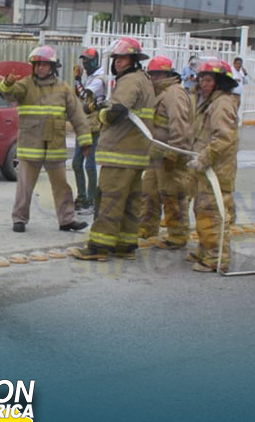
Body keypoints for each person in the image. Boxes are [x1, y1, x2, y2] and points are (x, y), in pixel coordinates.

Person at [69, 37, 155, 261]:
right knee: (129, 201)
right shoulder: (144, 80)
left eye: (123, 58)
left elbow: (117, 111)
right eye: (116, 58)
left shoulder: (129, 81)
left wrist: (101, 114)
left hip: (121, 153)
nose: (118, 63)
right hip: (136, 154)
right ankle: (125, 246)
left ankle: (98, 247)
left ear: (133, 60)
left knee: (110, 198)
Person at [0, 45, 92, 233]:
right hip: (30, 146)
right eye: (37, 64)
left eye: (44, 64)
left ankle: (66, 220)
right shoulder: (25, 85)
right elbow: (8, 93)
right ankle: (19, 219)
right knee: (24, 187)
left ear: (52, 66)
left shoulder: (64, 88)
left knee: (61, 186)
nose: (40, 68)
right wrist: (7, 83)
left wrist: (85, 140)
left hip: (55, 147)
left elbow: (78, 116)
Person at [189, 59, 239, 273]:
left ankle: (216, 257)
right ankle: (205, 250)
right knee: (203, 210)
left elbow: (224, 137)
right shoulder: (210, 102)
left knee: (213, 213)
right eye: (201, 79)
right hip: (206, 172)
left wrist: (205, 157)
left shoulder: (222, 104)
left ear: (219, 83)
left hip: (216, 172)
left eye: (208, 80)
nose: (203, 84)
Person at [139, 56, 194, 250]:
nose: (153, 78)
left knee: (173, 194)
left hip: (171, 155)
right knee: (149, 191)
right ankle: (147, 227)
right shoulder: (160, 93)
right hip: (157, 154)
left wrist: (174, 153)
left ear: (164, 75)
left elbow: (180, 125)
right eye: (152, 75)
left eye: (155, 75)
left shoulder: (174, 93)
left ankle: (177, 235)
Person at [72, 47, 106, 212]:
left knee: (89, 164)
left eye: (87, 60)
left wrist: (77, 80)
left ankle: (91, 199)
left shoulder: (99, 78)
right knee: (76, 163)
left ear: (95, 61)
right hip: (83, 124)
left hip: (92, 126)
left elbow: (84, 95)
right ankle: (82, 196)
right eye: (83, 60)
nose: (84, 64)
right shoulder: (91, 76)